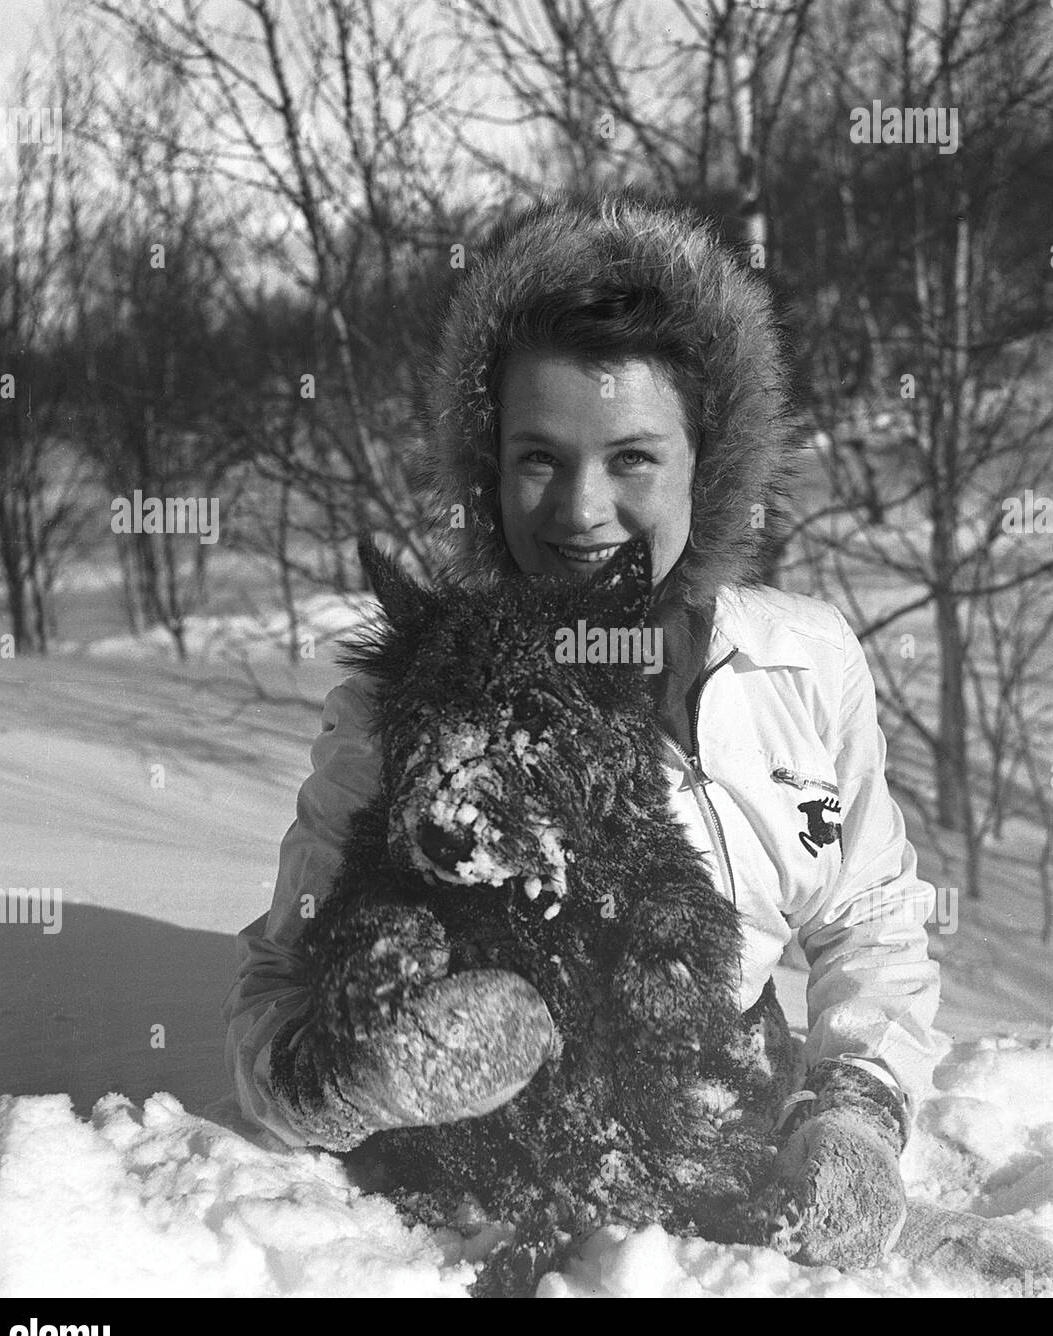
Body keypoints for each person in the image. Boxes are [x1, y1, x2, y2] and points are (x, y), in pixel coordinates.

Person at [221, 193, 944, 1268]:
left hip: (710, 1127)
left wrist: (854, 1107)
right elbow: (275, 991)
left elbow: (869, 920)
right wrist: (346, 1071)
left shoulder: (804, 662)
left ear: (714, 464)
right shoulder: (413, 695)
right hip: (479, 1191)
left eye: (633, 459)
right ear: (487, 470)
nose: (579, 509)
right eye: (539, 457)